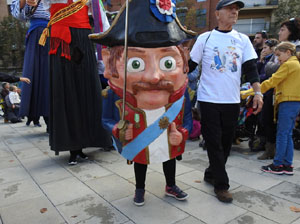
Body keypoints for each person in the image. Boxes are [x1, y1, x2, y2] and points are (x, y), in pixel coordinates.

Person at [90, 0, 194, 206]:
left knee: (169, 157)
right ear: (109, 62)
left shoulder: (183, 96)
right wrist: (117, 129)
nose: (154, 76)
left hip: (166, 138)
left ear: (185, 60)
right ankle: (139, 188)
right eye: (135, 63)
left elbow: (188, 118)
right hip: (139, 141)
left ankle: (170, 184)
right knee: (140, 159)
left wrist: (181, 133)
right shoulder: (112, 94)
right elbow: (106, 119)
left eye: (168, 63)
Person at [189, 0, 263, 203]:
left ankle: (212, 172)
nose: (234, 12)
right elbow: (190, 64)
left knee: (225, 142)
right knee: (213, 142)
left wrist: (258, 94)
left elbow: (251, 70)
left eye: (237, 9)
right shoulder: (205, 38)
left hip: (232, 100)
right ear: (218, 14)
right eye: (230, 9)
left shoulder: (242, 40)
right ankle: (222, 185)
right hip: (208, 99)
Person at [40, 0, 112, 165]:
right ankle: (73, 147)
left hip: (82, 38)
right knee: (67, 91)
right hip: (61, 41)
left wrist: (107, 47)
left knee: (87, 89)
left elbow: (100, 19)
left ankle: (89, 140)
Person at [260, 42, 300, 175]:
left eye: (279, 55)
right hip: (293, 102)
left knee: (282, 134)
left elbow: (272, 81)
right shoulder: (295, 64)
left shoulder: (289, 64)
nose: (277, 59)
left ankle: (278, 165)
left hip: (288, 102)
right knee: (287, 134)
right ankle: (287, 164)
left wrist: (250, 91)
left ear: (288, 52)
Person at [11, 0, 50, 131]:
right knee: (41, 76)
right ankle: (48, 119)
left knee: (56, 75)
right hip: (39, 32)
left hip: (60, 28)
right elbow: (19, 13)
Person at [254, 39, 279, 158]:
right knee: (262, 120)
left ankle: (271, 149)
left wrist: (258, 78)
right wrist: (260, 60)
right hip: (263, 92)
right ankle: (263, 144)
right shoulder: (264, 60)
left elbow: (265, 76)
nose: (263, 50)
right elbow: (257, 72)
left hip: (270, 93)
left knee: (268, 121)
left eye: (265, 48)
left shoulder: (274, 60)